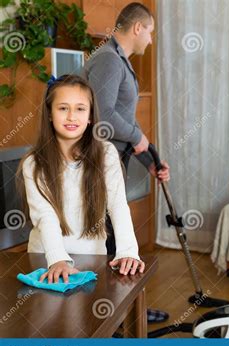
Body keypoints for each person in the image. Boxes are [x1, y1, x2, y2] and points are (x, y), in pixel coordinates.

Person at [82, 3, 169, 323]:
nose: (151, 39)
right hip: (100, 162)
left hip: (115, 157)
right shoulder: (107, 59)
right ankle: (114, 316)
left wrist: (148, 157)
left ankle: (126, 311)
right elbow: (103, 117)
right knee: (112, 241)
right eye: (150, 32)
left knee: (117, 239)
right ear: (137, 28)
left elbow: (122, 118)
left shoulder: (117, 59)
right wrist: (137, 137)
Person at [18, 75, 144, 284]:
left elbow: (118, 206)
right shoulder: (34, 162)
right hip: (46, 258)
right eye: (63, 108)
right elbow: (45, 216)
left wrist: (128, 251)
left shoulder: (107, 154)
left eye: (80, 109)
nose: (71, 117)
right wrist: (58, 260)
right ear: (49, 113)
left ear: (91, 116)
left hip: (93, 258)